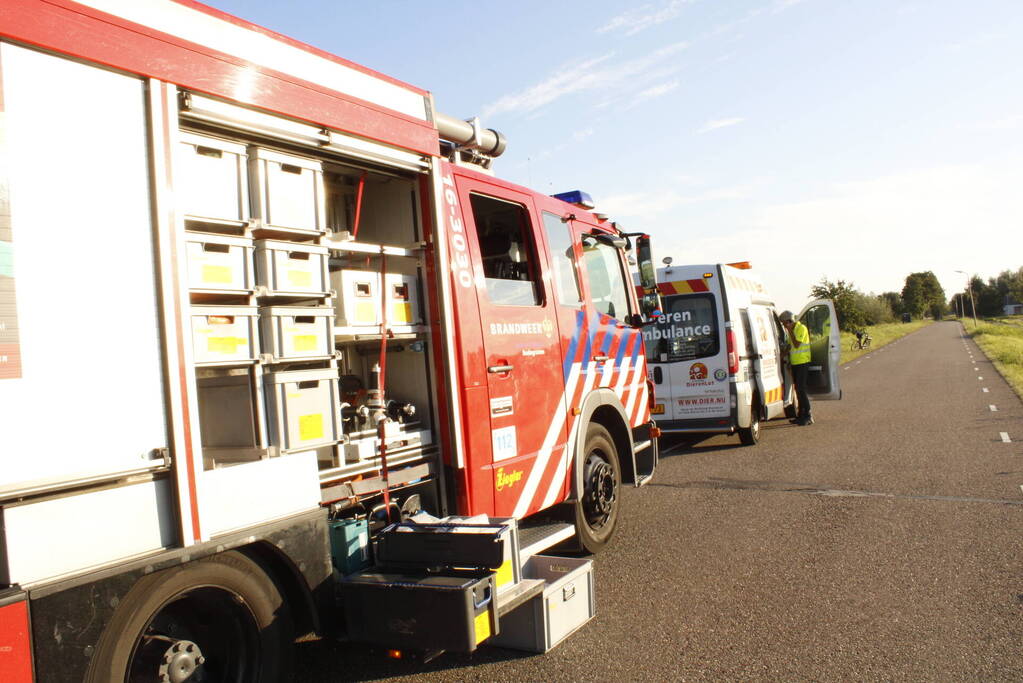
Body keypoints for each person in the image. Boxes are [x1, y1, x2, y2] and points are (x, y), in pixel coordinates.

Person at [779, 310, 812, 425]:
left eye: (784, 323)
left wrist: (789, 331)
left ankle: (808, 415)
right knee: (798, 390)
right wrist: (782, 355)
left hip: (803, 362)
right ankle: (801, 415)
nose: (784, 326)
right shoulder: (792, 330)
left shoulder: (801, 328)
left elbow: (797, 344)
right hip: (795, 363)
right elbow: (790, 345)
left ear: (789, 321)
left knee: (801, 390)